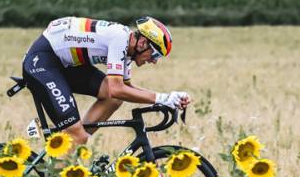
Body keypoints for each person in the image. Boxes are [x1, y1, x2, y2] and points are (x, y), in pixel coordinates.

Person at [21, 16, 191, 145]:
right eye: (155, 54)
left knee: (112, 100)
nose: (154, 61)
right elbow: (116, 88)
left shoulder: (127, 48)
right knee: (77, 133)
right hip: (43, 62)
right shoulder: (119, 39)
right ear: (143, 43)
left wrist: (169, 97)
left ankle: (73, 145)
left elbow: (124, 89)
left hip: (63, 64)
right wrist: (162, 98)